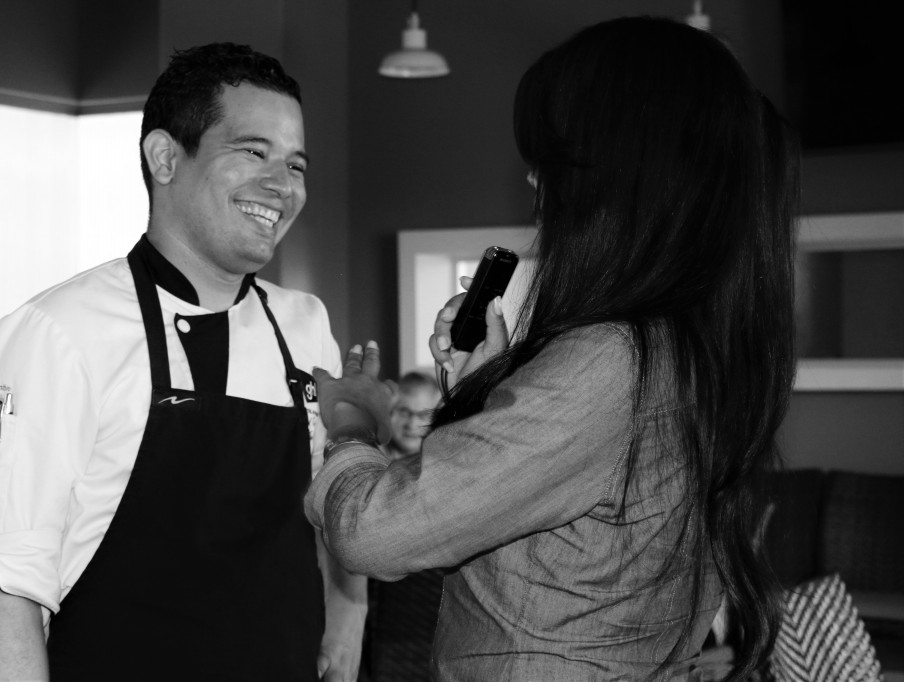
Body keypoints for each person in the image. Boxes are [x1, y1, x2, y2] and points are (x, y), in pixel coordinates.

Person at [306, 16, 797, 681]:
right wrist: (491, 381)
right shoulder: (690, 350)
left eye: (552, 159)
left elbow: (374, 533)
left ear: (618, 169)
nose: (535, 181)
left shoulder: (611, 362)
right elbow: (565, 532)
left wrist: (352, 424)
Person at [0, 43, 366, 681]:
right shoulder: (57, 333)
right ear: (165, 157)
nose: (282, 185)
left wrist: (348, 611)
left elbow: (329, 503)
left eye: (296, 164)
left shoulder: (306, 325)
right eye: (252, 152)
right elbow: (7, 580)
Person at [384, 371, 440, 459]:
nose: (412, 424)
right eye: (404, 412)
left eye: (423, 415)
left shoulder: (448, 463)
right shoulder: (368, 456)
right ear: (390, 411)